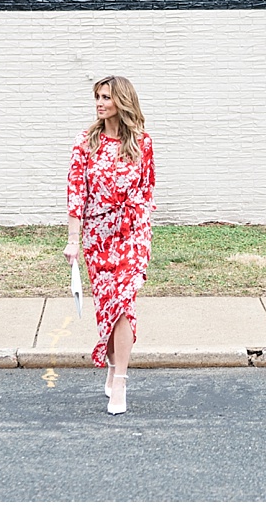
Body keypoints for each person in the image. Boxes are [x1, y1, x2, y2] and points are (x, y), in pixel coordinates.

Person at [63, 75, 155, 415]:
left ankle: (121, 381)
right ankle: (113, 366)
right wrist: (74, 240)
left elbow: (147, 190)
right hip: (99, 236)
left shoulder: (142, 143)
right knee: (109, 311)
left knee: (123, 303)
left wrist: (140, 229)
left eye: (107, 97)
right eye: (98, 97)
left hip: (132, 233)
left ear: (122, 101)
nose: (100, 103)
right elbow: (77, 195)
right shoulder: (85, 143)